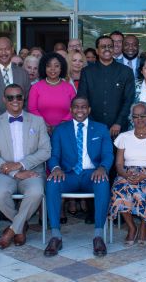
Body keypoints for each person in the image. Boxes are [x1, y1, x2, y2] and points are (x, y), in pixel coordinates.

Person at [44, 97, 114, 257]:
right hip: (69, 175)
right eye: (76, 107)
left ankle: (98, 236)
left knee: (103, 182)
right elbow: (54, 155)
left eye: (83, 107)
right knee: (52, 183)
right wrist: (55, 168)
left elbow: (108, 154)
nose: (80, 110)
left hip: (92, 174)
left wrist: (103, 168)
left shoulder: (101, 129)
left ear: (89, 110)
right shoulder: (60, 130)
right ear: (71, 109)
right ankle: (56, 236)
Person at [0, 84, 51, 249]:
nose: (15, 100)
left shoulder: (37, 121)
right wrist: (15, 172)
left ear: (23, 99)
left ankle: (12, 230)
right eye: (10, 97)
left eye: (18, 97)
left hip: (32, 171)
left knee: (36, 192)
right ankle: (20, 226)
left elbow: (46, 151)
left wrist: (21, 164)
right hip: (3, 172)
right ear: (4, 100)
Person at [110, 102, 146, 246]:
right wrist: (125, 174)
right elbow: (118, 164)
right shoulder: (124, 137)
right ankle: (132, 227)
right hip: (128, 172)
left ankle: (144, 225)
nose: (139, 119)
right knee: (119, 191)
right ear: (131, 118)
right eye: (135, 116)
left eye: (143, 115)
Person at [77, 35, 135, 139]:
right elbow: (82, 99)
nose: (107, 49)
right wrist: (92, 123)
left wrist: (118, 123)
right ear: (97, 50)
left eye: (110, 46)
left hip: (119, 129)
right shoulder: (87, 72)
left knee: (118, 155)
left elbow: (129, 100)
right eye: (103, 46)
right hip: (93, 127)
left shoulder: (126, 72)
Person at [28, 53, 76, 134]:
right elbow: (32, 109)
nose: (52, 69)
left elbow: (75, 107)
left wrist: (64, 123)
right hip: (41, 129)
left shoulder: (69, 87)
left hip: (65, 129)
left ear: (61, 68)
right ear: (44, 67)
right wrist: (43, 124)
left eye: (56, 66)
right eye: (49, 66)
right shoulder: (36, 87)